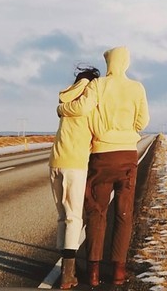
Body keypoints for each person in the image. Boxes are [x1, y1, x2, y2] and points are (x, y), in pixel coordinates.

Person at [83, 46, 149, 287]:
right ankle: (119, 271)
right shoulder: (136, 88)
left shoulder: (97, 85)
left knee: (96, 212)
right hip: (127, 155)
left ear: (108, 62)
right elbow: (143, 120)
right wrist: (128, 130)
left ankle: (92, 272)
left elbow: (87, 114)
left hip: (101, 155)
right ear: (126, 63)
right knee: (123, 212)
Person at [49, 64, 100, 290]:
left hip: (55, 162)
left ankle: (66, 268)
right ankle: (68, 274)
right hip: (75, 164)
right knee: (74, 218)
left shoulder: (66, 100)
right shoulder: (88, 101)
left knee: (62, 217)